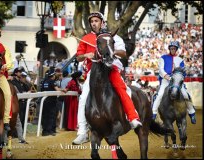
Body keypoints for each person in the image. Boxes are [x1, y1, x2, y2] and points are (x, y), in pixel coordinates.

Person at [72, 12, 142, 145]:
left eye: (96, 21)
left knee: (124, 90)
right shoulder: (86, 38)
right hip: (94, 73)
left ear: (102, 22)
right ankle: (82, 132)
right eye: (92, 21)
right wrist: (86, 54)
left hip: (111, 69)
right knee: (83, 98)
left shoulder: (111, 37)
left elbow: (123, 52)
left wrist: (110, 51)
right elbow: (78, 57)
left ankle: (132, 118)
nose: (94, 23)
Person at [152, 41, 196, 124]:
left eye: (174, 48)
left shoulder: (180, 60)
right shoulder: (163, 58)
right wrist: (165, 76)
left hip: (177, 80)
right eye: (171, 48)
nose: (173, 50)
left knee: (185, 94)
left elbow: (183, 71)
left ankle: (191, 112)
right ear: (169, 49)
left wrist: (180, 78)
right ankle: (153, 113)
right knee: (160, 94)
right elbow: (161, 69)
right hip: (166, 80)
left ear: (176, 49)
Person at [41, 68, 67, 136]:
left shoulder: (44, 81)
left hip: (45, 101)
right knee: (51, 116)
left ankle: (45, 131)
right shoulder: (52, 81)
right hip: (52, 101)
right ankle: (50, 130)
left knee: (45, 116)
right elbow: (57, 89)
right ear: (52, 76)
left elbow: (41, 90)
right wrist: (63, 90)